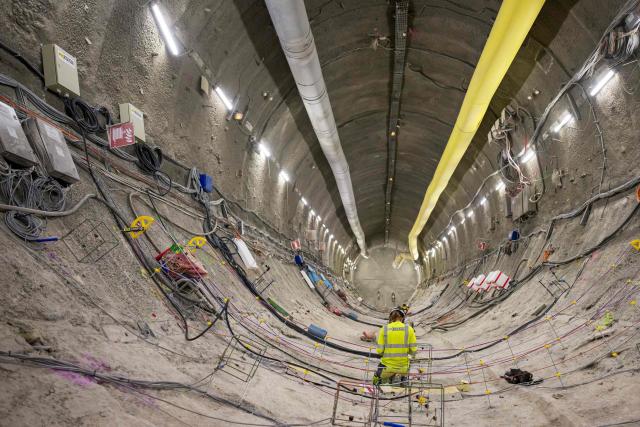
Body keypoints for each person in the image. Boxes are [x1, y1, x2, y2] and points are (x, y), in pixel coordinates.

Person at [373, 307, 417, 386]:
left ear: (390, 318)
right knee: (407, 366)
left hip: (386, 368)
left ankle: (377, 383)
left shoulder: (384, 329)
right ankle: (403, 380)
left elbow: (379, 351)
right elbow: (413, 350)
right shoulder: (409, 329)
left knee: (376, 377)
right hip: (403, 368)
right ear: (403, 318)